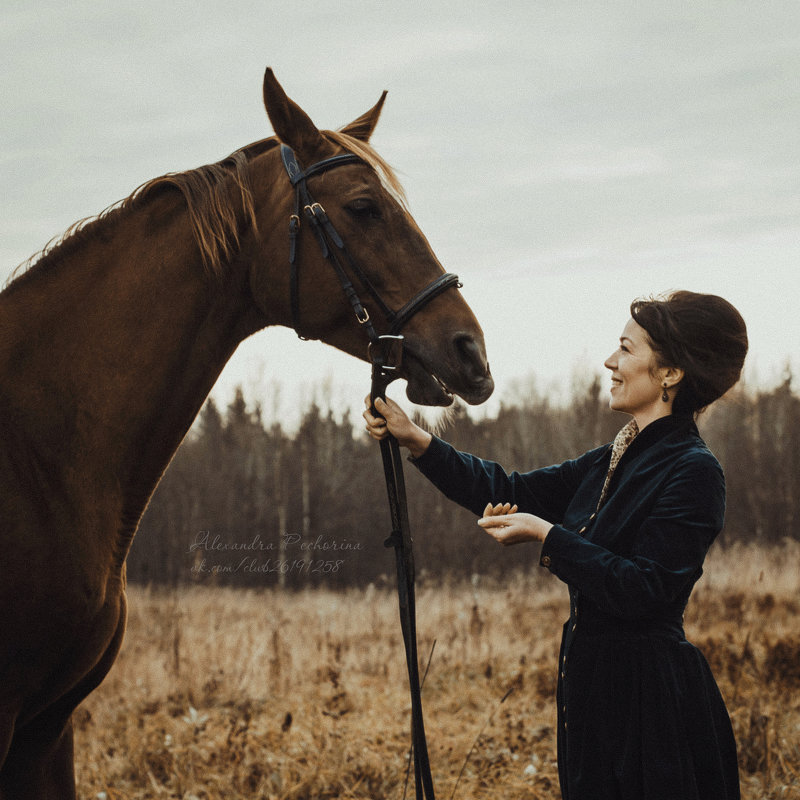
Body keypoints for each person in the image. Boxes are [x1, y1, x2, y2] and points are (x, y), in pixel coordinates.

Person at [363, 290, 747, 800]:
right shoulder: (614, 457)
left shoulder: (693, 471)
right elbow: (511, 490)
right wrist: (419, 441)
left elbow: (646, 589)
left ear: (670, 374)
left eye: (627, 350)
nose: (610, 362)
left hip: (651, 708)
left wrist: (548, 536)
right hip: (591, 696)